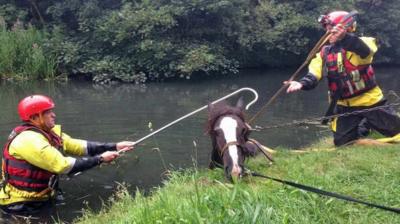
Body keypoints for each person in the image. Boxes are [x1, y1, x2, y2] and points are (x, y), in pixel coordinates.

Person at [0, 95, 135, 214]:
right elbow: (63, 166)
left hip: (43, 197)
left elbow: (78, 146)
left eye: (52, 111)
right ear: (35, 117)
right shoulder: (29, 140)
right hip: (21, 204)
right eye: (48, 112)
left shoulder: (47, 133)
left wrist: (115, 146)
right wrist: (100, 159)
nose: (53, 115)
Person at [284, 10, 400, 146]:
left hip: (370, 101)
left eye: (332, 29)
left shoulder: (363, 42)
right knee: (342, 143)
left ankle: (370, 121)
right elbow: (314, 74)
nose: (328, 33)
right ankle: (365, 125)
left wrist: (344, 38)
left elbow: (365, 50)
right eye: (327, 29)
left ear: (347, 28)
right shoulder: (324, 52)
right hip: (344, 106)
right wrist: (302, 84)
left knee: (397, 134)